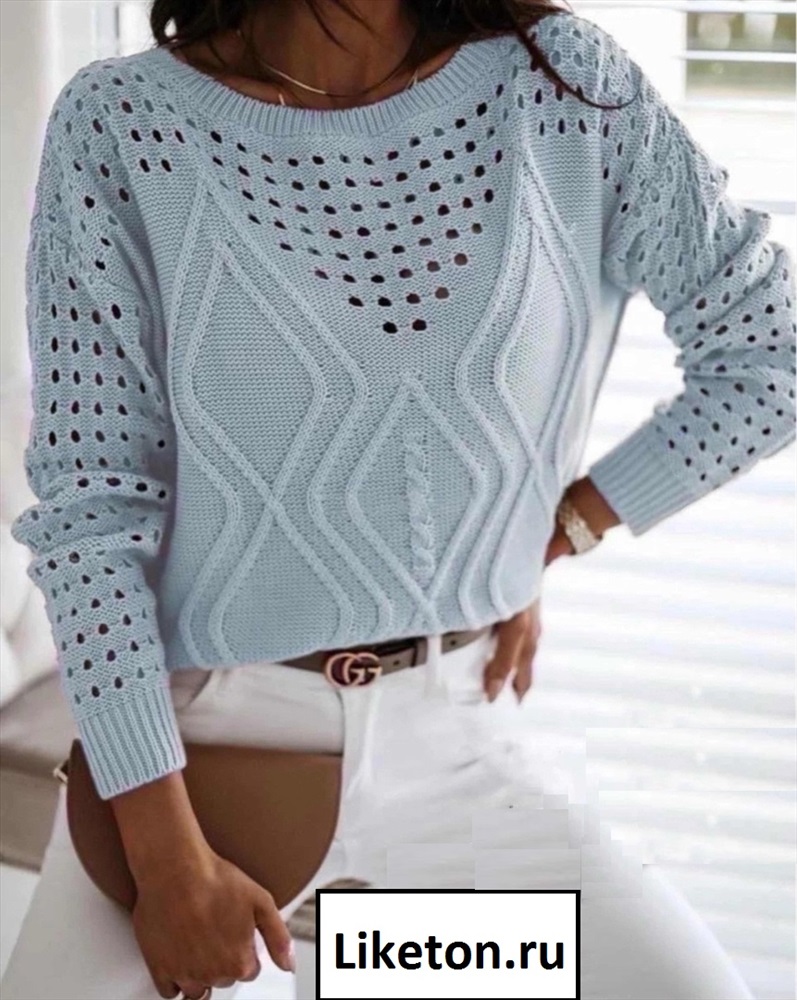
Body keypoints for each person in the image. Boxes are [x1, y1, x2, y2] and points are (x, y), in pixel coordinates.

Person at [2, 0, 794, 998]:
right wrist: (167, 865)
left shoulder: (563, 85)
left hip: (453, 745)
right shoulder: (122, 123)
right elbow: (90, 517)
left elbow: (769, 356)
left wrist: (552, 528)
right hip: (199, 760)